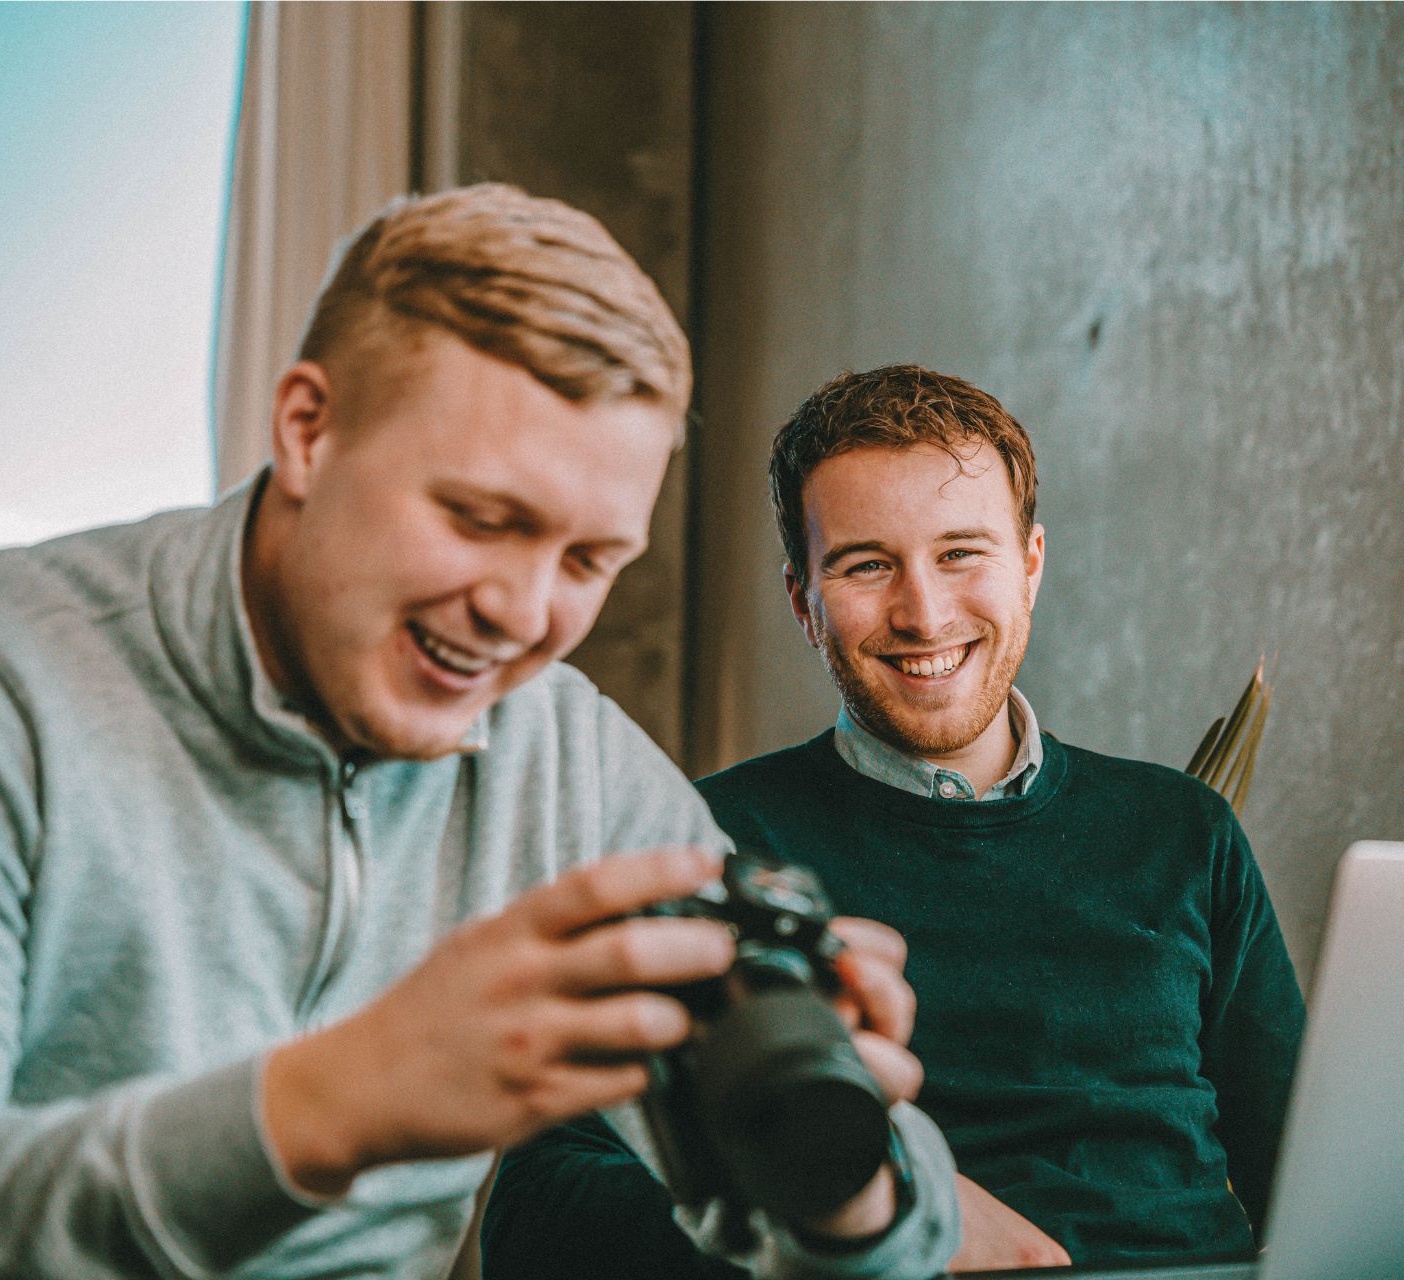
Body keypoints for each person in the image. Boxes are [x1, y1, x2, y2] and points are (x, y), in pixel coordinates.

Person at [0, 187, 958, 1279]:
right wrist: (347, 1094)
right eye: (481, 520)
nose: (524, 614)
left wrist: (829, 1151)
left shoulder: (571, 765)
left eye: (589, 560)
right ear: (309, 429)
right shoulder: (6, 679)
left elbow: (862, 1238)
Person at [482, 365, 1306, 1274]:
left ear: (1029, 565)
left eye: (962, 553)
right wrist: (868, 1194)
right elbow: (538, 1215)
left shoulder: (1185, 831)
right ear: (804, 600)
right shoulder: (708, 850)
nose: (923, 613)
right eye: (867, 565)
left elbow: (1315, 1173)